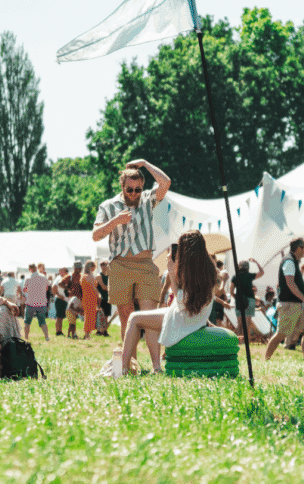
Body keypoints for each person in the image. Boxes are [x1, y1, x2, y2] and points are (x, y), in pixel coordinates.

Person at [92, 159, 171, 357]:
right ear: (122, 186)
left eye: (138, 189)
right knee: (126, 316)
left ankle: (156, 366)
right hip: (119, 264)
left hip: (145, 264)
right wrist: (116, 221)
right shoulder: (108, 206)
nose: (134, 194)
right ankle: (131, 363)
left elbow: (166, 183)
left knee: (150, 316)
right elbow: (96, 235)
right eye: (130, 189)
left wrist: (145, 163)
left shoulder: (147, 199)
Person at [119, 230, 216, 375]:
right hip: (197, 320)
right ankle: (138, 366)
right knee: (144, 317)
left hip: (183, 319)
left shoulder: (190, 270)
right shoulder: (209, 268)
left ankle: (122, 370)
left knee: (134, 318)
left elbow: (182, 302)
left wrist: (170, 271)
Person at [265, 238, 304, 360]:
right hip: (289, 304)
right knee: (281, 334)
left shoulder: (293, 261)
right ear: (298, 248)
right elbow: (290, 283)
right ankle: (266, 359)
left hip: (297, 303)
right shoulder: (289, 262)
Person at [232, 258, 264, 336]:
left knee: (239, 324)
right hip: (250, 300)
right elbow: (262, 272)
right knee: (247, 324)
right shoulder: (249, 275)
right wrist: (256, 262)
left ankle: (239, 342)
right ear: (247, 267)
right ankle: (246, 343)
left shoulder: (235, 277)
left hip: (239, 301)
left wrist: (236, 297)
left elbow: (231, 291)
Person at [22, 263, 50, 342]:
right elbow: (47, 288)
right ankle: (47, 337)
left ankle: (26, 338)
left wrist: (30, 290)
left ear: (29, 269)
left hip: (30, 302)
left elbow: (24, 289)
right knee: (42, 321)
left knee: (27, 322)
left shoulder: (28, 278)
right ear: (36, 268)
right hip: (41, 303)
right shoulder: (43, 277)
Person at [52, 267, 69, 337]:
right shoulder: (59, 278)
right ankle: (58, 331)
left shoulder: (62, 278)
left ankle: (59, 331)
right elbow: (53, 287)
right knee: (59, 316)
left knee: (61, 317)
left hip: (63, 299)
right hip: (60, 300)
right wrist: (59, 295)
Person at [96, 262, 111, 337]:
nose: (105, 267)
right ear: (101, 266)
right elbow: (103, 287)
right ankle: (99, 331)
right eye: (103, 265)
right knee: (100, 315)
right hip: (101, 299)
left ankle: (105, 331)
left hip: (108, 298)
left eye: (106, 265)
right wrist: (112, 289)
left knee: (106, 316)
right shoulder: (99, 276)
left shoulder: (109, 276)